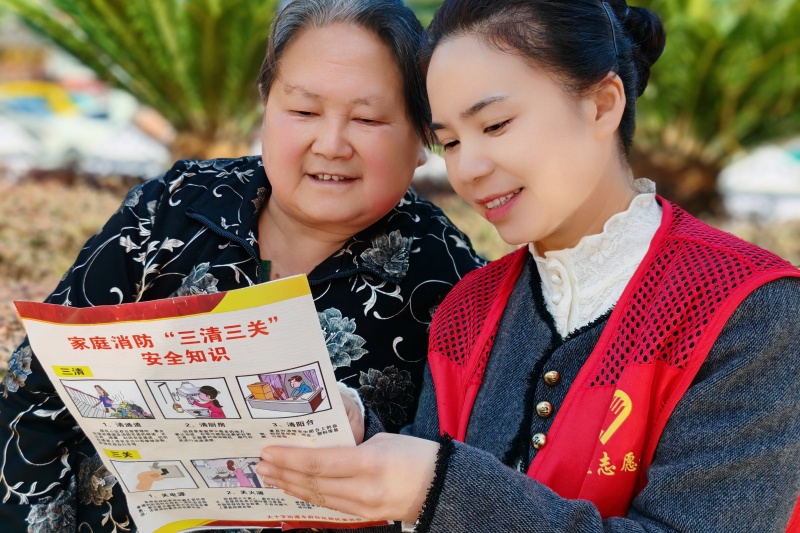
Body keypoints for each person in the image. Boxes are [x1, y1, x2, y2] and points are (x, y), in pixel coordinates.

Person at [255, 1, 800, 531]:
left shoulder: (750, 309)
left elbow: (436, 489)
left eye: (494, 125)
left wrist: (435, 487)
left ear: (602, 105)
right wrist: (357, 436)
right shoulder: (467, 311)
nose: (469, 168)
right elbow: (422, 497)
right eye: (450, 142)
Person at [0, 1, 484, 530]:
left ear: (422, 138)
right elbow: (33, 400)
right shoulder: (173, 207)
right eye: (304, 112)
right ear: (265, 109)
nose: (330, 145)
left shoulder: (457, 284)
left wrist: (368, 434)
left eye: (367, 119)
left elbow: (463, 477)